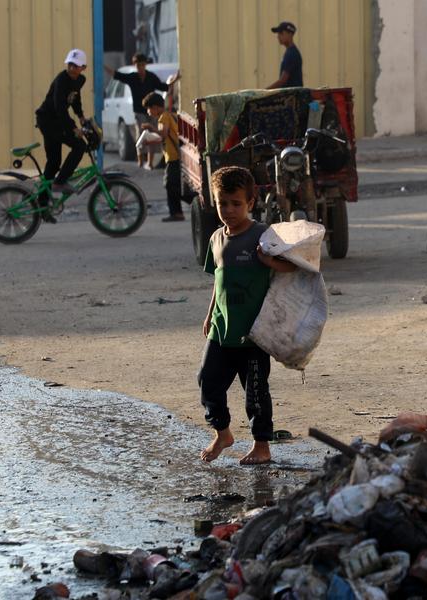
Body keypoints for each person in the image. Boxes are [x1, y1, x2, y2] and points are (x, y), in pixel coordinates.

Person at [199, 166, 296, 466]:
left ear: (250, 203)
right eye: (222, 203)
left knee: (255, 393)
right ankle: (223, 434)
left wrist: (268, 260)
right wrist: (210, 314)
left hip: (253, 334)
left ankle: (261, 445)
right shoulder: (217, 239)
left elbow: (293, 267)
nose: (228, 210)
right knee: (208, 381)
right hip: (221, 330)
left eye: (235, 203)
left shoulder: (262, 235)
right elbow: (219, 279)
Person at [35, 48, 88, 221]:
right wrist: (73, 128)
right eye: (70, 64)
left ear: (83, 68)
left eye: (76, 66)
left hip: (57, 121)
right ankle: (60, 182)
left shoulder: (80, 80)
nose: (72, 68)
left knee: (53, 162)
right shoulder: (61, 80)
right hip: (49, 121)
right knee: (79, 146)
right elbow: (59, 108)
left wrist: (81, 116)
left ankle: (42, 206)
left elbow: (75, 99)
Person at [106, 54, 179, 168]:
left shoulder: (151, 77)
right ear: (135, 65)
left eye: (142, 65)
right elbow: (117, 75)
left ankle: (150, 162)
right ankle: (140, 161)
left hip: (153, 112)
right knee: (141, 136)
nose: (140, 67)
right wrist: (103, 66)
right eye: (138, 65)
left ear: (145, 65)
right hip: (139, 112)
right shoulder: (132, 77)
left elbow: (164, 87)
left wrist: (175, 79)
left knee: (152, 135)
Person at [141, 92, 184, 222]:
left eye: (149, 109)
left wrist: (150, 128)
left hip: (173, 157)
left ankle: (177, 213)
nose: (148, 112)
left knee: (170, 184)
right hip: (172, 156)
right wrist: (149, 142)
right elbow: (164, 137)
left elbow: (163, 133)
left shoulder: (163, 117)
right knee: (172, 184)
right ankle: (177, 212)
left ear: (155, 107)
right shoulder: (168, 115)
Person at [267, 22, 302, 89]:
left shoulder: (292, 54)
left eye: (281, 33)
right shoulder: (289, 52)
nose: (278, 36)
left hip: (293, 96)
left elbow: (282, 81)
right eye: (278, 34)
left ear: (290, 34)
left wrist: (265, 92)